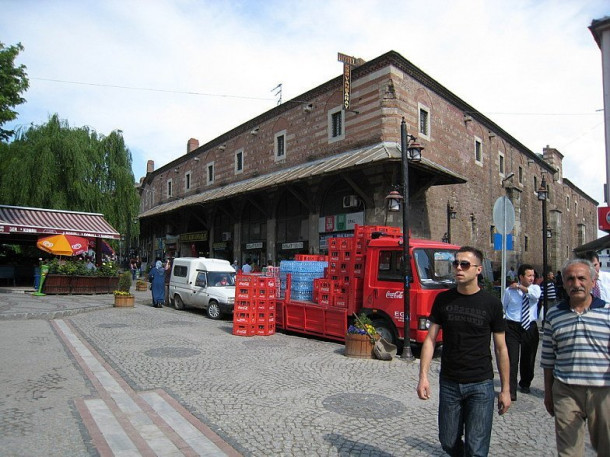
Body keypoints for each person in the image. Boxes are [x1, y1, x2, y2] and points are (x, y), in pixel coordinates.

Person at [417, 246, 511, 456]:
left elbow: (501, 347)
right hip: (450, 382)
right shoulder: (443, 299)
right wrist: (423, 376)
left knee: (477, 448)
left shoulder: (492, 304)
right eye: (456, 263)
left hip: (480, 383)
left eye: (465, 264)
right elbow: (431, 339)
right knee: (448, 441)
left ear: (478, 269)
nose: (458, 268)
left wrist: (505, 389)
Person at [541, 259, 610, 456]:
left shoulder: (607, 312)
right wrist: (548, 393)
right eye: (570, 279)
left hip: (603, 391)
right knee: (569, 451)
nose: (576, 283)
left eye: (582, 278)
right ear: (563, 283)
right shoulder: (554, 315)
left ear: (593, 282)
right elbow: (548, 359)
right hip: (566, 391)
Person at [502, 263, 541, 400]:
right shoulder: (509, 291)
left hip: (529, 327)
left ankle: (525, 382)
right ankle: (511, 390)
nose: (532, 278)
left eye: (533, 275)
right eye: (529, 275)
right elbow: (503, 307)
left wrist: (519, 286)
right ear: (521, 276)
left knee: (528, 357)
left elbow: (534, 297)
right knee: (512, 359)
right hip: (512, 326)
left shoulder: (535, 288)